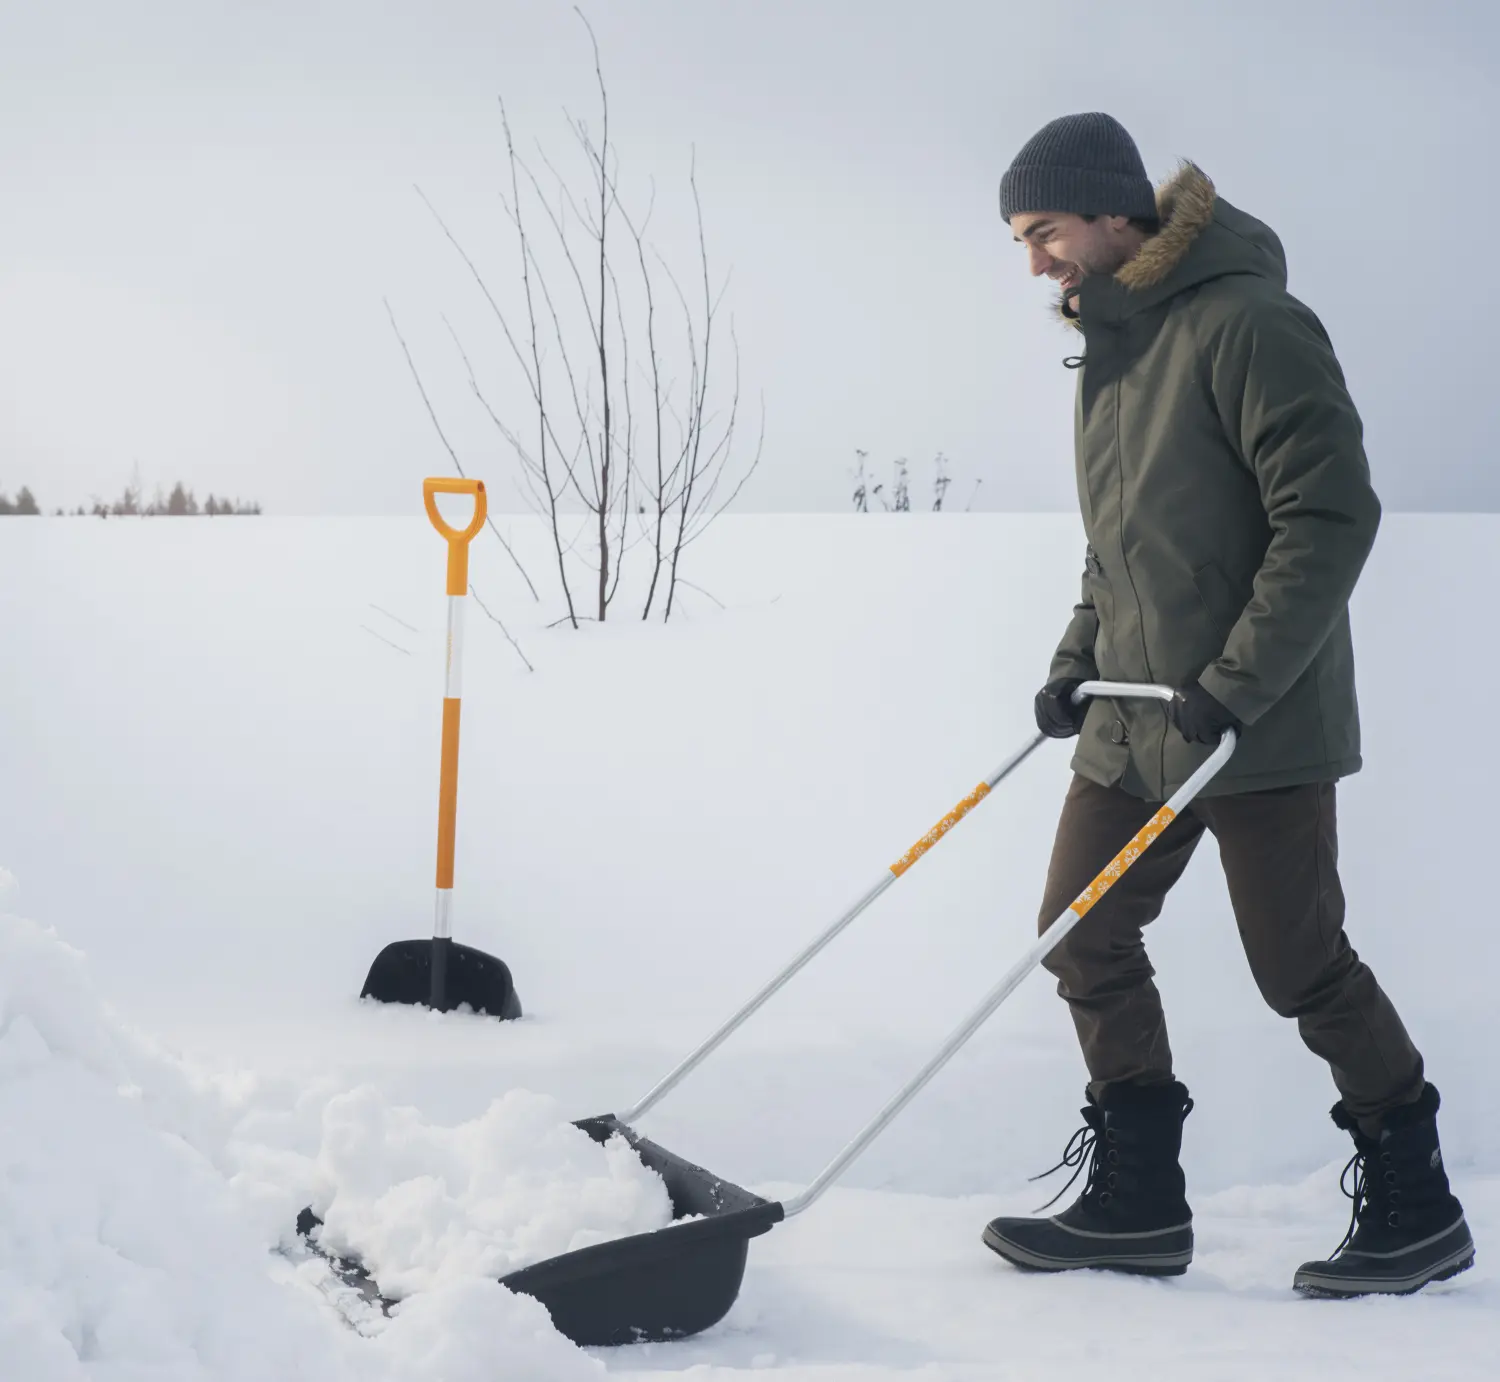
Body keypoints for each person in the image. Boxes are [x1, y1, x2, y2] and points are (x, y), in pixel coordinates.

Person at [980, 111, 1473, 1297]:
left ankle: (1418, 1203)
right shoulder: (1111, 349)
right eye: (1020, 241)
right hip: (1135, 713)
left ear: (1112, 212)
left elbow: (1329, 516)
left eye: (1044, 233)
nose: (1035, 262)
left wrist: (1235, 683)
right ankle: (1139, 1204)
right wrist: (1073, 659)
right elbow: (1122, 549)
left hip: (1255, 721)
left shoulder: (1251, 324)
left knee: (1299, 967)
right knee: (1080, 931)